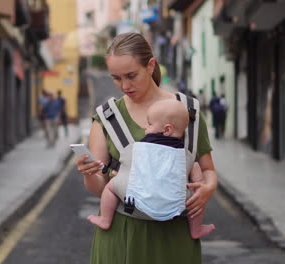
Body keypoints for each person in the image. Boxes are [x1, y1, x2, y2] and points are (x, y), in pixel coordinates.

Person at [75, 33, 217, 264]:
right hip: (121, 237)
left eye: (131, 75)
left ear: (150, 65)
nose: (125, 86)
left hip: (175, 238)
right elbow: (100, 188)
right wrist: (88, 173)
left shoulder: (187, 111)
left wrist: (208, 189)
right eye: (116, 78)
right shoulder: (106, 118)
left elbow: (207, 169)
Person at [87, 99, 215, 239]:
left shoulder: (139, 147)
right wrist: (200, 184)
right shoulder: (185, 153)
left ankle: (105, 219)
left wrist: (121, 175)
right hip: (176, 205)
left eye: (149, 124)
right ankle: (196, 229)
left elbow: (132, 168)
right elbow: (198, 169)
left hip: (136, 201)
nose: (145, 128)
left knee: (110, 188)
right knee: (196, 199)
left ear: (167, 129)